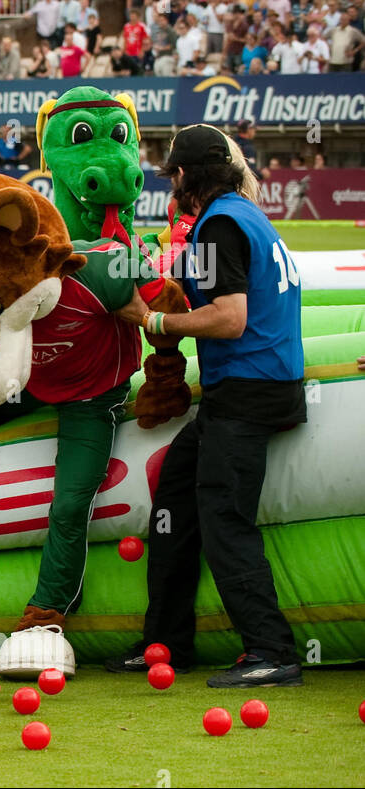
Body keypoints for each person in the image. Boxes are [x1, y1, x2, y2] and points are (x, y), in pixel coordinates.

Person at [110, 125, 307, 688]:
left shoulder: (219, 223)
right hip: (257, 384)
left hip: (248, 389)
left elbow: (230, 317)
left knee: (225, 518)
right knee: (176, 494)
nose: (171, 186)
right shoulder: (244, 214)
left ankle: (273, 651)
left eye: (173, 175)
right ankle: (165, 642)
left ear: (185, 176)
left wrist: (155, 322)